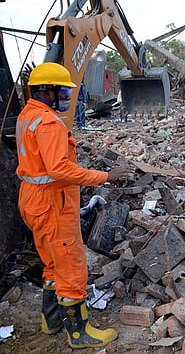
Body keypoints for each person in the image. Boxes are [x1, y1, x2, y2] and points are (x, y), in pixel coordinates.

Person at [15, 62, 134, 349]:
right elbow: (60, 170)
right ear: (46, 91)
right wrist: (106, 176)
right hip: (53, 203)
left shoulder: (27, 116)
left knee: (52, 263)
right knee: (71, 267)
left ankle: (51, 320)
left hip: (33, 199)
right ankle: (79, 333)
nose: (68, 97)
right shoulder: (48, 124)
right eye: (63, 91)